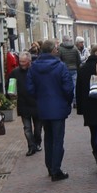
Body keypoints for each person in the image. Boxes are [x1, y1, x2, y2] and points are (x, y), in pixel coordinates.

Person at [26, 39, 74, 181]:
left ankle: (50, 166)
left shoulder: (34, 67)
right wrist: (67, 101)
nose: (58, 51)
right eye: (56, 49)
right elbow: (68, 88)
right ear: (53, 50)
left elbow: (30, 88)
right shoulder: (60, 66)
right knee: (58, 140)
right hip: (58, 108)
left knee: (48, 138)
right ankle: (56, 170)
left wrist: (40, 98)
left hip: (43, 108)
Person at [7, 49, 41, 156]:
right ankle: (31, 146)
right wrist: (10, 94)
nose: (21, 64)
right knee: (27, 128)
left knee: (38, 128)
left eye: (23, 62)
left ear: (29, 61)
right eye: (20, 62)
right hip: (23, 103)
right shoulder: (15, 73)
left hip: (36, 103)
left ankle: (37, 142)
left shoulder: (36, 71)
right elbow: (10, 86)